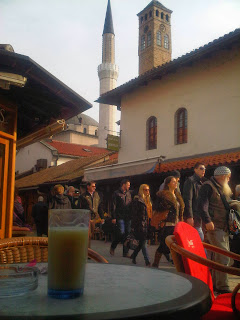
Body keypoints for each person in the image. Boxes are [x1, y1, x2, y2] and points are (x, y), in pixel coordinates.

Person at [197, 166, 232, 294]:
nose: (229, 179)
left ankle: (217, 285)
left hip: (222, 227)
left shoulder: (219, 187)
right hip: (214, 226)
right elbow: (202, 205)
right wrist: (207, 220)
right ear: (223, 176)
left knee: (219, 257)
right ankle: (223, 287)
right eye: (228, 177)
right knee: (224, 257)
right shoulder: (208, 186)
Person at [152, 176, 185, 268]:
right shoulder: (163, 195)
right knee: (164, 245)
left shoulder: (178, 195)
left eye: (176, 182)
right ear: (168, 184)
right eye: (173, 182)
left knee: (178, 245)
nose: (175, 183)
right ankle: (155, 263)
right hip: (167, 224)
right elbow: (157, 208)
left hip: (177, 224)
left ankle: (178, 265)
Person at [182, 162, 207, 241]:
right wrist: (190, 216)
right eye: (201, 168)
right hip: (194, 216)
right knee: (200, 239)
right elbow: (188, 199)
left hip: (200, 216)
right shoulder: (190, 181)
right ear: (195, 170)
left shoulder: (201, 182)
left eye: (204, 169)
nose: (203, 170)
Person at [130, 184, 152, 266]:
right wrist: (133, 226)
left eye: (148, 190)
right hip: (140, 224)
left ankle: (134, 255)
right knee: (143, 243)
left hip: (147, 224)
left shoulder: (148, 201)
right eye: (145, 190)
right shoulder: (137, 201)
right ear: (141, 190)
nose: (147, 191)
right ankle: (147, 261)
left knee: (142, 243)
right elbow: (134, 215)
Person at [110, 179, 132, 257]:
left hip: (128, 217)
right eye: (128, 184)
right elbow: (113, 206)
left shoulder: (129, 193)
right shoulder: (116, 193)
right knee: (121, 233)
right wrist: (113, 217)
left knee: (127, 234)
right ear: (123, 185)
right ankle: (113, 246)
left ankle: (125, 252)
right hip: (119, 216)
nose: (129, 186)